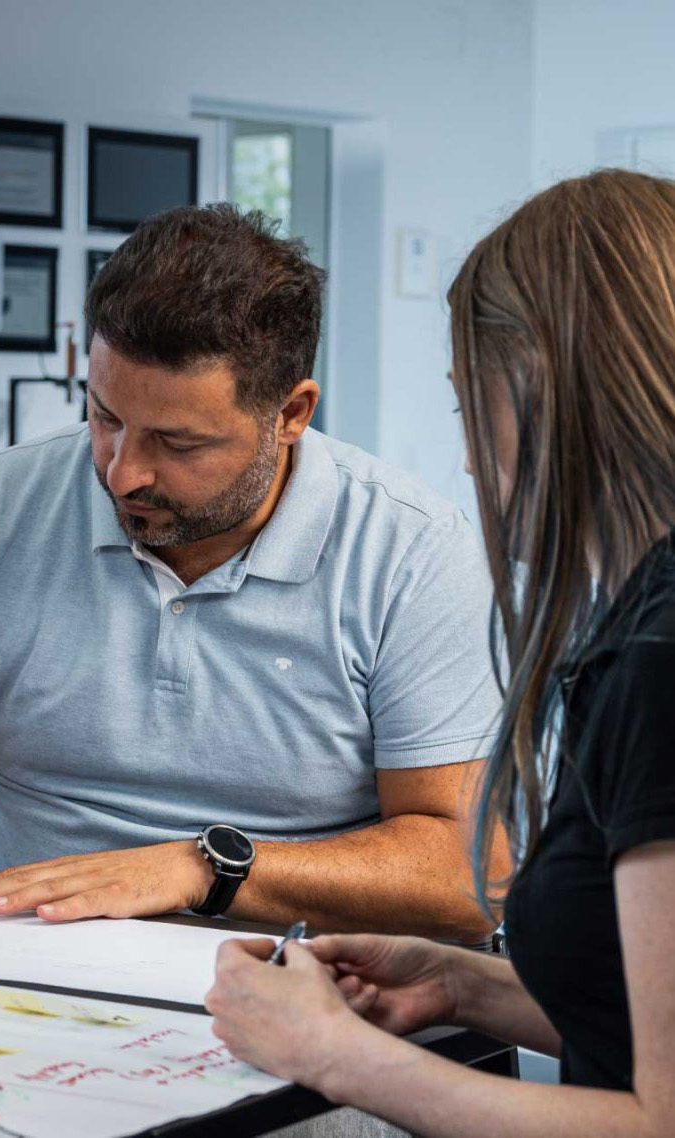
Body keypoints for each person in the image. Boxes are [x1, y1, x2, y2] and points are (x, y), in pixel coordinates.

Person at [0, 203, 504, 940]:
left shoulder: (412, 553)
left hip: (306, 983)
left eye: (178, 443)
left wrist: (203, 870)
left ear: (290, 414)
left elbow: (464, 870)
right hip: (26, 969)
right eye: (104, 417)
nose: (123, 472)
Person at [205, 169, 675, 1135]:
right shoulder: (641, 626)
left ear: (551, 389)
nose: (468, 459)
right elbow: (637, 1018)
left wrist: (333, 1057)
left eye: (472, 410)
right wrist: (462, 987)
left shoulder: (659, 665)